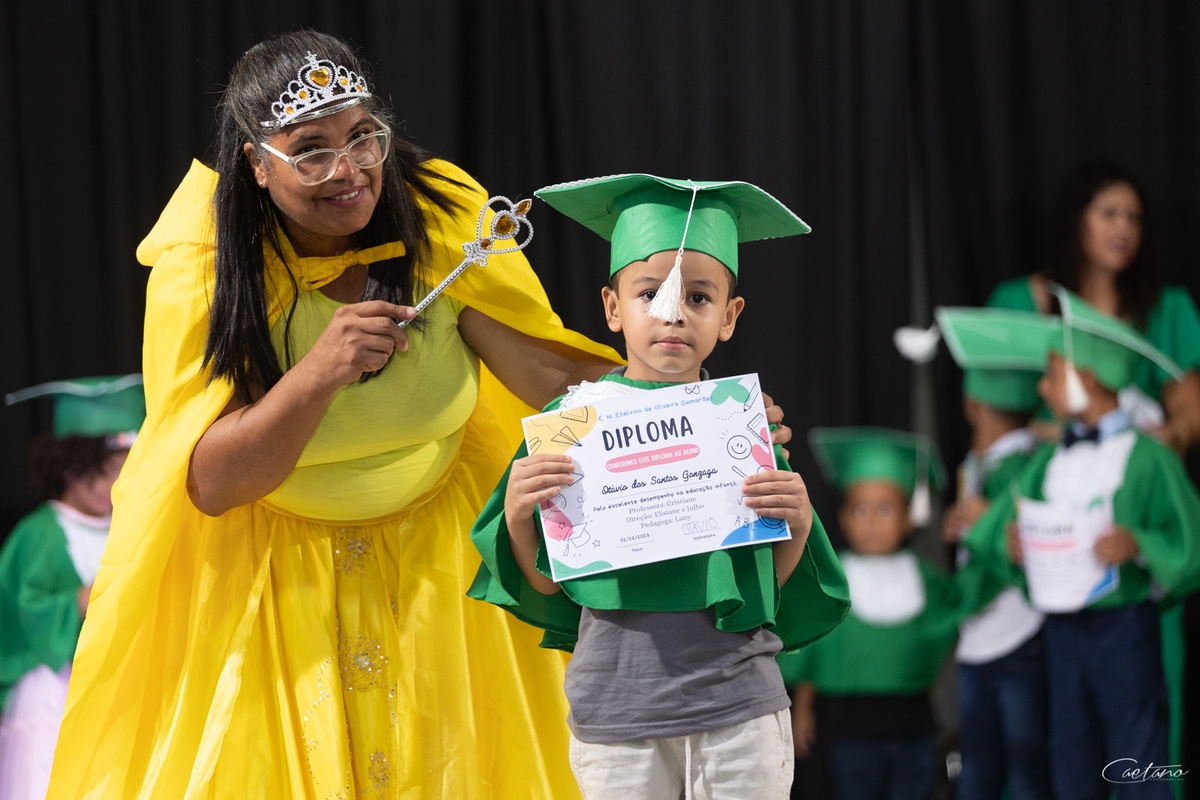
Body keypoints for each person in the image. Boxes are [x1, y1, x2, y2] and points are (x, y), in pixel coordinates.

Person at [45, 30, 651, 799]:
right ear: (256, 164)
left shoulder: (442, 219)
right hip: (273, 587)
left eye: (364, 137)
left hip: (445, 573)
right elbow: (213, 484)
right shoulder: (206, 267)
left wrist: (696, 409)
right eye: (311, 151)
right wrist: (319, 372)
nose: (349, 170)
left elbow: (552, 374)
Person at [468, 174, 851, 799]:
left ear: (729, 317)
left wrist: (799, 522)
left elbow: (766, 586)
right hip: (616, 717)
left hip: (738, 709)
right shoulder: (571, 424)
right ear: (612, 307)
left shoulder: (743, 427)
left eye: (698, 297)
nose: (672, 312)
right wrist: (516, 513)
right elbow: (550, 585)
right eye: (649, 293)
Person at [966, 288, 1200, 800]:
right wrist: (1014, 544)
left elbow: (1187, 538)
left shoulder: (1148, 458)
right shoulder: (1048, 461)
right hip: (1062, 634)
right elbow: (999, 528)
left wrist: (1139, 543)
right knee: (1072, 754)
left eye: (1053, 374)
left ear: (1087, 378)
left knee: (1137, 752)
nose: (1043, 388)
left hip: (1125, 629)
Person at [780, 427, 968, 800]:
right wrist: (801, 709)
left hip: (913, 723)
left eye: (885, 509)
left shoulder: (928, 580)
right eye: (860, 510)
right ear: (843, 518)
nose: (872, 522)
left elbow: (951, 619)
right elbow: (809, 645)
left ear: (908, 518)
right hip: (848, 726)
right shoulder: (828, 577)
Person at [987, 159, 1200, 450]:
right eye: (1109, 214)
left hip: (1130, 461)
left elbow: (1189, 409)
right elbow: (994, 418)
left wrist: (1174, 434)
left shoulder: (1167, 308)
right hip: (1045, 461)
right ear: (1076, 220)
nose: (1123, 228)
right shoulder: (1019, 301)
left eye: (1134, 218)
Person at [0, 375, 144, 800]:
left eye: (125, 471)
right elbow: (18, 611)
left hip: (121, 686)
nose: (114, 486)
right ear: (68, 466)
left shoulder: (132, 527)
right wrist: (82, 599)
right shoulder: (40, 532)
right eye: (103, 473)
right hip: (53, 694)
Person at [935, 307, 1052, 799]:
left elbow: (1029, 542)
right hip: (978, 636)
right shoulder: (975, 464)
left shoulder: (1031, 464)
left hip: (1020, 631)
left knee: (1024, 767)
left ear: (973, 402)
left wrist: (988, 522)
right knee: (979, 766)